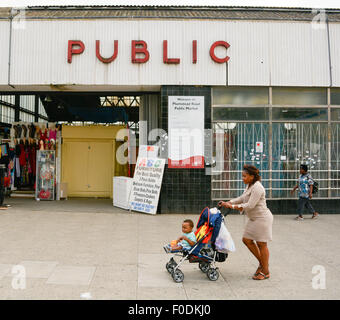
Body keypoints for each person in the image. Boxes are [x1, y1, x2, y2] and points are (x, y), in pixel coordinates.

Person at [219, 164, 273, 280]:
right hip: (254, 219)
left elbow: (249, 205)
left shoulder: (258, 188)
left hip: (262, 218)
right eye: (242, 176)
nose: (242, 178)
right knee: (247, 240)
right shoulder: (250, 185)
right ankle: (263, 264)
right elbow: (242, 198)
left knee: (262, 244)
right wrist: (227, 202)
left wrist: (232, 206)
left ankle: (265, 271)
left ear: (252, 176)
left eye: (244, 176)